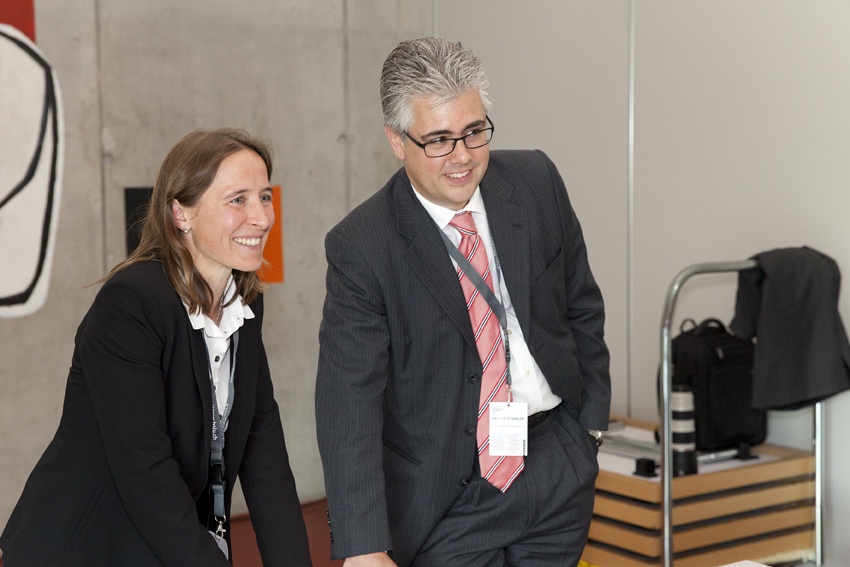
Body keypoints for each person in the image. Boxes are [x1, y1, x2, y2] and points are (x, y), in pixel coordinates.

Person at [315, 38, 611, 567]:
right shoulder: (363, 245)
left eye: (474, 132)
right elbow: (348, 403)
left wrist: (588, 430)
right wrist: (363, 546)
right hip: (447, 496)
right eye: (438, 140)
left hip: (556, 463)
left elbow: (581, 304)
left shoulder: (536, 181)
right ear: (396, 140)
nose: (462, 157)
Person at [0, 129, 312, 566]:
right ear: (181, 213)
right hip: (87, 549)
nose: (261, 218)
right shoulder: (131, 302)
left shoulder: (245, 304)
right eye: (237, 200)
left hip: (169, 543)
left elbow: (264, 449)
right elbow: (143, 468)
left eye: (264, 196)